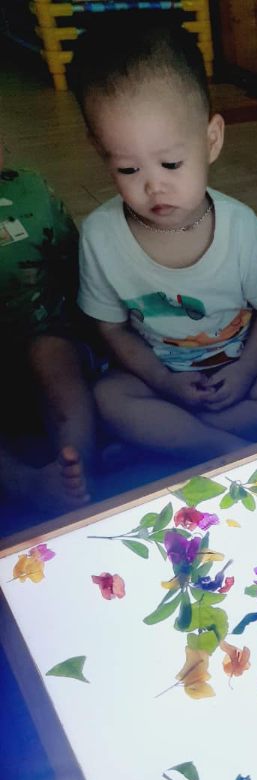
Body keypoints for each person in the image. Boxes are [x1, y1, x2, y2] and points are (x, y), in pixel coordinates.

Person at [70, 18, 257, 463]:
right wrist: (163, 381)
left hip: (237, 370)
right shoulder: (101, 237)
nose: (153, 187)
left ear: (211, 140)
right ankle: (220, 447)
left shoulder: (240, 227)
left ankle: (172, 439)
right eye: (127, 169)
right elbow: (111, 328)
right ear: (100, 152)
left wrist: (245, 371)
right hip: (156, 378)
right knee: (107, 397)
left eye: (172, 164)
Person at [0, 138, 94, 512]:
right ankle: (22, 481)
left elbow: (72, 263)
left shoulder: (30, 190)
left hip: (43, 333)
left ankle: (76, 466)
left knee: (53, 354)